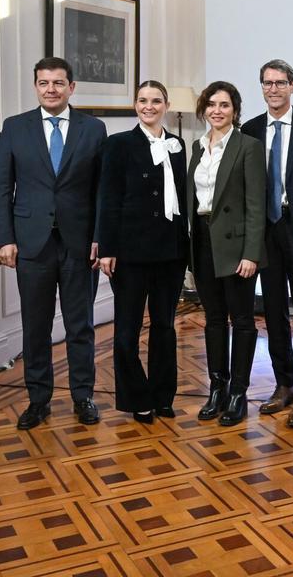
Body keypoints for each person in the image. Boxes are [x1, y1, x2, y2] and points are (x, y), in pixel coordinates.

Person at [0, 57, 106, 429]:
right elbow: (1, 189)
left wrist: (99, 239)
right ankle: (38, 400)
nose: (51, 89)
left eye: (59, 83)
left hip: (79, 243)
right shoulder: (14, 128)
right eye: (44, 83)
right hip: (31, 244)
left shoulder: (93, 129)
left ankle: (83, 396)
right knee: (35, 327)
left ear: (71, 87)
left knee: (80, 326)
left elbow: (100, 192)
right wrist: (4, 239)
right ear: (35, 86)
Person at [96, 80, 189, 424]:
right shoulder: (118, 145)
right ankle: (137, 397)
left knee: (165, 326)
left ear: (166, 105)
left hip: (171, 252)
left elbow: (181, 198)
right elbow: (108, 198)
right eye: (142, 100)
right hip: (130, 253)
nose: (148, 106)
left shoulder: (178, 145)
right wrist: (107, 248)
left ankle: (163, 395)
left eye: (155, 101)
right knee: (127, 331)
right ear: (135, 105)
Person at [240, 60, 293, 427]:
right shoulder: (250, 129)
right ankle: (283, 384)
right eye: (267, 83)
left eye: (279, 83)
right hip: (266, 231)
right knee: (273, 313)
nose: (273, 89)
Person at [188, 81, 267, 425]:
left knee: (243, 320)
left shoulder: (248, 147)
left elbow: (255, 205)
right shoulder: (196, 147)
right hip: (203, 243)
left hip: (236, 246)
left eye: (224, 105)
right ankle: (216, 389)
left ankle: (238, 393)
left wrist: (251, 253)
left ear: (235, 110)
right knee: (214, 319)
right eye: (211, 104)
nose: (216, 110)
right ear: (203, 109)